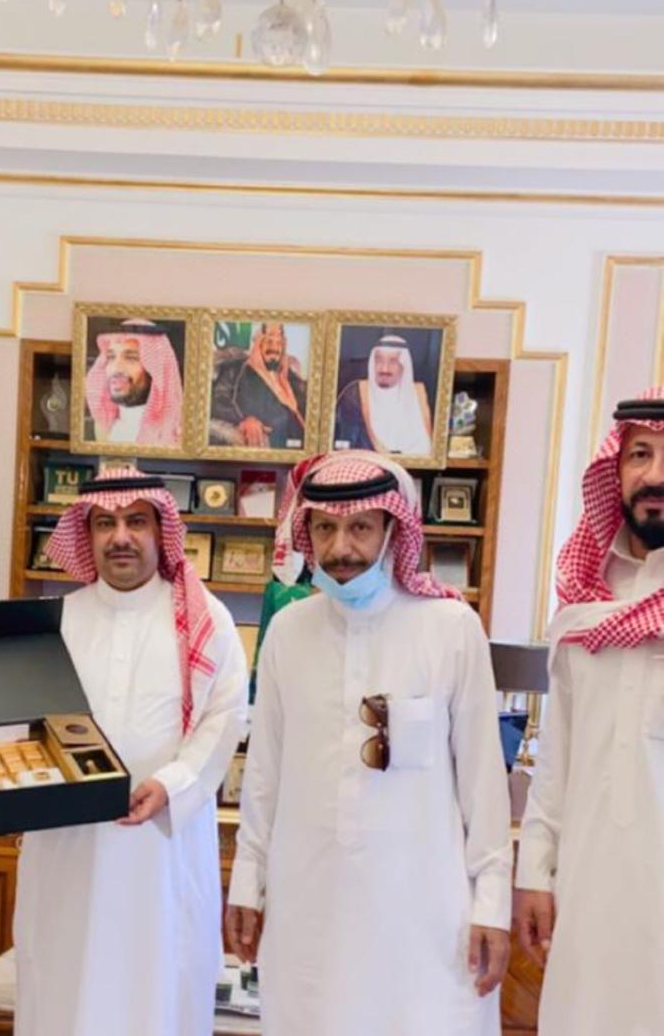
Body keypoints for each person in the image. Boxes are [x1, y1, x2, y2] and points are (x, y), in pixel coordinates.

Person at [225, 450, 511, 1036]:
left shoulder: (450, 629)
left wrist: (492, 904)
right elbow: (264, 776)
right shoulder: (289, 632)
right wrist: (247, 885)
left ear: (391, 530)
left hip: (424, 916)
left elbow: (483, 782)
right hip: (310, 909)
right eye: (324, 528)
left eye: (360, 527)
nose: (341, 549)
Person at [15, 468, 248, 1036]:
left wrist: (173, 782)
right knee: (64, 988)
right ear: (86, 534)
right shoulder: (55, 621)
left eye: (136, 522)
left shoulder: (205, 618)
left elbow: (226, 717)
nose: (120, 537)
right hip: (66, 848)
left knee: (158, 994)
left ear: (160, 531)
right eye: (105, 524)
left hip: (162, 851)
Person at [514, 388, 664, 1036]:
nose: (655, 474)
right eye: (640, 454)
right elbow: (558, 759)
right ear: (615, 470)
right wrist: (535, 871)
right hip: (590, 890)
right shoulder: (584, 605)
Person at [84, 319, 183, 447]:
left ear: (154, 369)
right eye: (111, 357)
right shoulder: (104, 425)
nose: (116, 368)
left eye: (130, 358)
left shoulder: (179, 432)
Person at [210, 322, 307, 449]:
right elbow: (219, 399)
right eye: (269, 341)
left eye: (279, 343)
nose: (274, 348)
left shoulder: (290, 378)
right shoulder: (236, 369)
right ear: (258, 343)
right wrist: (244, 420)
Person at [334, 332, 433, 456]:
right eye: (379, 360)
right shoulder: (355, 394)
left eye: (393, 361)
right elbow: (344, 446)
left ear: (404, 365)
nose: (384, 369)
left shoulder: (420, 397)